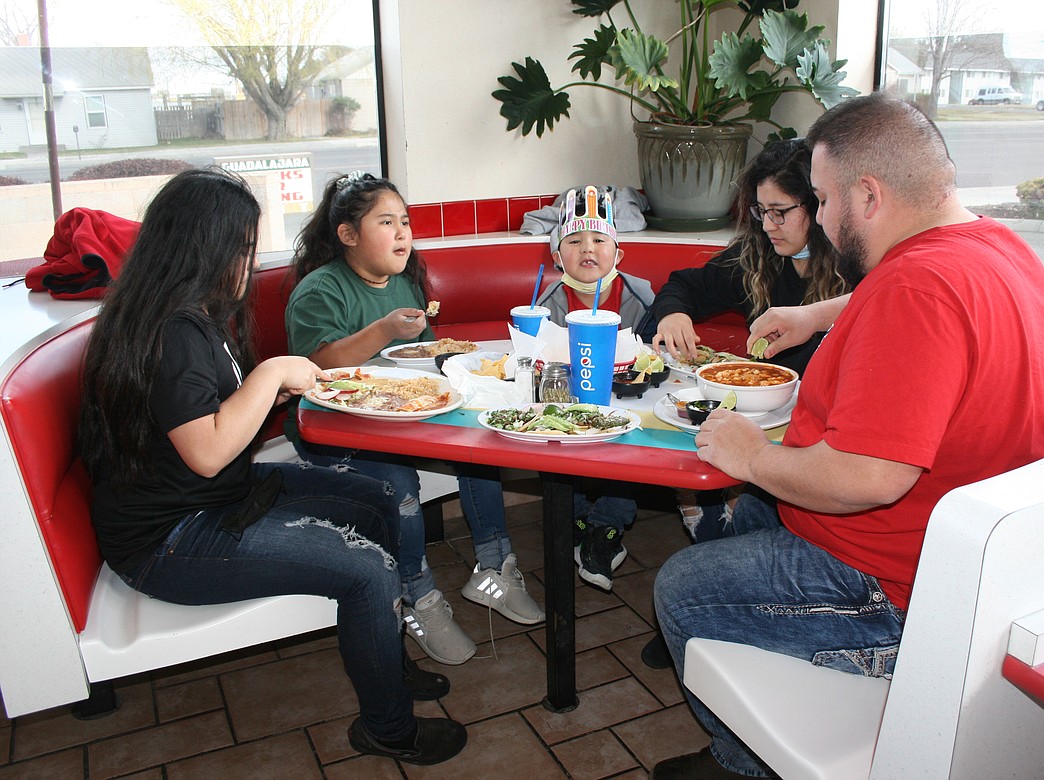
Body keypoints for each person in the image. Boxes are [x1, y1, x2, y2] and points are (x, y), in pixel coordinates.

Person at [649, 93, 1044, 779]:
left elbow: (870, 478)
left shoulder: (916, 288)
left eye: (822, 198)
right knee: (749, 512)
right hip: (944, 552)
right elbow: (924, 290)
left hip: (891, 586)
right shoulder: (996, 245)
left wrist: (754, 454)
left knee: (681, 587)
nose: (823, 217)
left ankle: (741, 762)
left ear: (867, 195)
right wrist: (818, 314)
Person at [76, 167, 466, 766]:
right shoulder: (170, 331)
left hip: (216, 496)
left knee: (378, 500)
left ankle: (387, 660)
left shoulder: (192, 313)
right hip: (170, 538)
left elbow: (208, 425)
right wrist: (269, 375)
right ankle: (388, 728)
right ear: (206, 250)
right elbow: (206, 452)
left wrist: (268, 395)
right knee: (364, 569)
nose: (248, 264)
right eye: (243, 249)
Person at [285, 171, 544, 666]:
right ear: (347, 235)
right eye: (386, 222)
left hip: (400, 420)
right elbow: (316, 369)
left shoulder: (405, 282)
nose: (403, 232)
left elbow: (420, 361)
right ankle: (418, 597)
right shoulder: (320, 291)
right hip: (331, 431)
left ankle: (493, 569)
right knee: (397, 483)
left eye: (405, 221)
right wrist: (383, 329)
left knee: (480, 449)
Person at [650, 138, 852, 543]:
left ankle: (716, 510)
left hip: (819, 441)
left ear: (818, 205)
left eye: (780, 212)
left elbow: (884, 297)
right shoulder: (757, 255)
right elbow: (684, 286)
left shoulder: (856, 264)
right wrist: (673, 314)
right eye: (761, 211)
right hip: (762, 422)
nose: (767, 225)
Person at [534, 185, 655, 590]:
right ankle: (577, 518)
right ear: (557, 257)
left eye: (599, 240)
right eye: (574, 240)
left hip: (626, 404)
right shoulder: (548, 301)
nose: (588, 248)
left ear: (618, 253)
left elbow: (651, 358)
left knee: (629, 442)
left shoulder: (640, 294)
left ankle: (605, 528)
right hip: (568, 403)